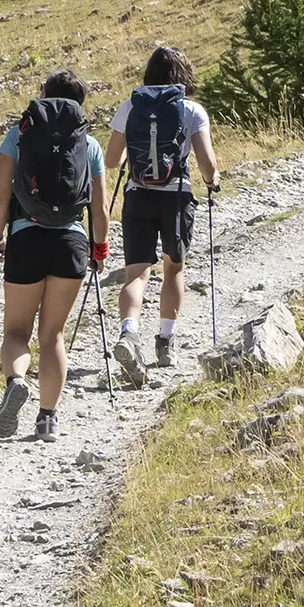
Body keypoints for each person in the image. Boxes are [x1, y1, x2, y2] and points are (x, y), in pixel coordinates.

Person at [0, 70, 109, 443]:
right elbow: (99, 209)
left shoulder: (19, 134)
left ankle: (17, 380)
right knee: (53, 334)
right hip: (70, 243)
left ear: (43, 97)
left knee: (16, 331)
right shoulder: (89, 145)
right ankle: (48, 419)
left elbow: (1, 196)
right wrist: (99, 248)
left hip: (25, 239)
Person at [103, 46, 220, 386]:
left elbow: (111, 160)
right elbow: (208, 166)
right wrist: (213, 182)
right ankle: (165, 341)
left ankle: (129, 333)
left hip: (137, 195)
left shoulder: (131, 106)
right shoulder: (191, 109)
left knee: (136, 274)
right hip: (176, 198)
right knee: (173, 269)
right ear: (184, 75)